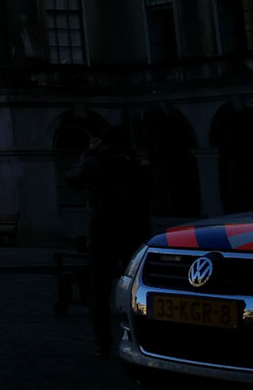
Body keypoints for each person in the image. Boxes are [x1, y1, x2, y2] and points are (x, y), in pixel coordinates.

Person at [68, 126, 152, 356]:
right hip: (135, 229)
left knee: (99, 290)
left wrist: (88, 152)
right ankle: (141, 337)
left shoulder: (94, 162)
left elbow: (72, 176)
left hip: (102, 231)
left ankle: (102, 342)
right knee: (136, 288)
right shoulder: (136, 163)